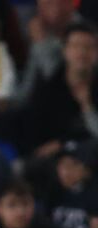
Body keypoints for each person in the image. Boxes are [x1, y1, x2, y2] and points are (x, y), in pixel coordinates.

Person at [22, 20, 98, 160]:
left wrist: (87, 107)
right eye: (76, 46)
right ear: (65, 50)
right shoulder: (48, 88)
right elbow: (35, 133)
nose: (82, 52)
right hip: (54, 160)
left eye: (88, 47)